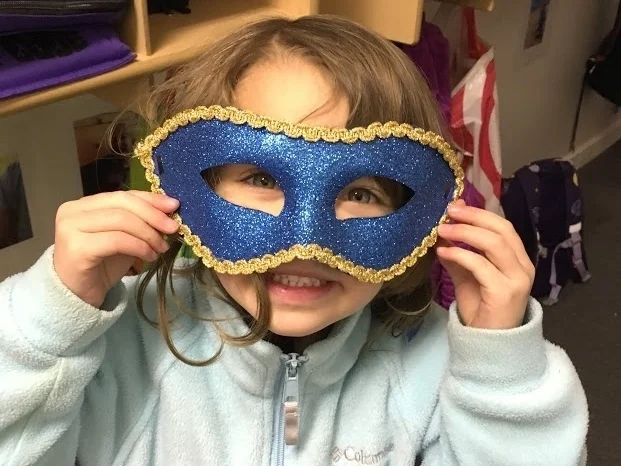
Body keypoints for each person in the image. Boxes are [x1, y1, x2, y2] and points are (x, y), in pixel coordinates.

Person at [0, 15, 588, 466]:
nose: (307, 241)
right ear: (191, 186)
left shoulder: (429, 366)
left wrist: (499, 373)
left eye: (361, 191)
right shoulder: (122, 348)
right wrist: (46, 330)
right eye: (260, 179)